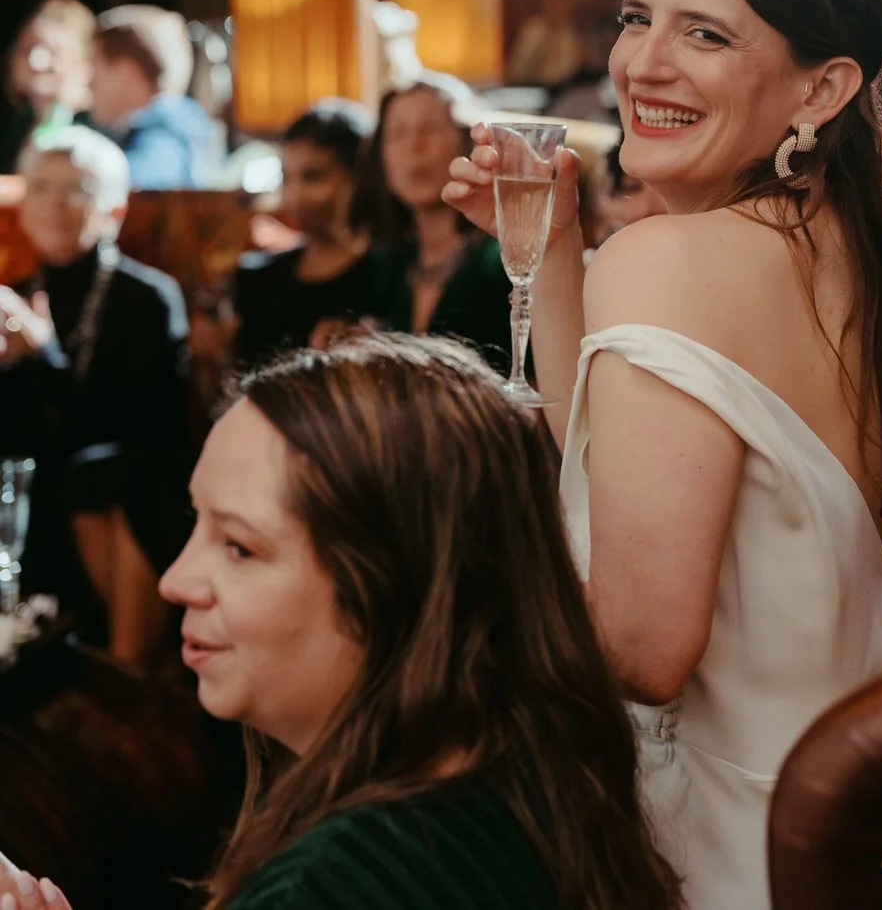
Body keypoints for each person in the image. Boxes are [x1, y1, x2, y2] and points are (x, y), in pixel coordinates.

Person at [443, 0, 882, 910]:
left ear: (820, 91)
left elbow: (641, 646)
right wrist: (553, 258)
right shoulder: (851, 254)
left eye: (705, 34)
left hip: (697, 860)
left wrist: (440, 593)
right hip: (825, 836)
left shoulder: (669, 261)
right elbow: (623, 471)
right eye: (636, 19)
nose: (642, 64)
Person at [1, 334, 683, 910]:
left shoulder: (333, 886)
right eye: (196, 523)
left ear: (393, 584)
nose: (174, 581)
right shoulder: (527, 769)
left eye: (239, 546)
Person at [0, 127, 190, 666]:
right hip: (41, 483)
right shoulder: (16, 291)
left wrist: (44, 355)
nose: (56, 204)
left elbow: (135, 427)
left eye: (76, 188)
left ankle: (127, 672)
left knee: (106, 473)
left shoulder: (149, 296)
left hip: (129, 490)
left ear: (113, 208)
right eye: (41, 187)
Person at [352, 78, 512, 370]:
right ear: (381, 159)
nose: (415, 145)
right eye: (398, 133)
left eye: (431, 129)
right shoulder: (384, 265)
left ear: (467, 140)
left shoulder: (502, 259)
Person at [231, 102, 376, 367]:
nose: (293, 197)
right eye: (287, 178)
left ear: (358, 178)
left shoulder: (388, 276)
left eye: (312, 177)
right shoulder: (256, 278)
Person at [89, 5, 225, 189]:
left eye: (94, 67)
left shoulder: (163, 135)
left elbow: (130, 193)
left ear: (125, 72)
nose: (87, 82)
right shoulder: (185, 124)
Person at [1, 0, 94, 170]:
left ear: (82, 57)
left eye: (52, 51)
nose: (35, 61)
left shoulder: (95, 123)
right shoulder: (19, 122)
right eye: (27, 48)